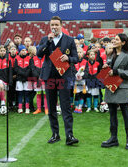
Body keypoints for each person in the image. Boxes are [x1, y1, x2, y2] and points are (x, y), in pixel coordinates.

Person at [37, 16, 79, 145]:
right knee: (51, 107)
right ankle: (55, 134)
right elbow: (39, 54)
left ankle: (69, 136)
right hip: (49, 77)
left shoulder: (69, 40)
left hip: (64, 77)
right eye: (52, 25)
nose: (54, 27)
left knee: (66, 107)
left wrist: (68, 58)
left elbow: (76, 58)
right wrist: (48, 42)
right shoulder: (45, 39)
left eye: (56, 25)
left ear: (61, 25)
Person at [101, 33, 128, 150]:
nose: (114, 41)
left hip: (123, 88)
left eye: (117, 39)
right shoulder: (111, 55)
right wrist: (106, 67)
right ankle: (113, 138)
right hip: (111, 86)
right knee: (112, 114)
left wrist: (116, 71)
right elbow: (112, 69)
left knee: (125, 113)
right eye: (114, 39)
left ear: (123, 42)